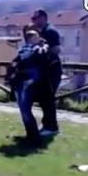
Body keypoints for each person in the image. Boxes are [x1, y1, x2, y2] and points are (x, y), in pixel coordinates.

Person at [8, 25, 53, 146]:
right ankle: (34, 138)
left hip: (21, 82)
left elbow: (15, 63)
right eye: (37, 37)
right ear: (32, 39)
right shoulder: (35, 49)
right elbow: (43, 53)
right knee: (26, 111)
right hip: (29, 82)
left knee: (25, 111)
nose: (39, 39)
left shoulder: (22, 50)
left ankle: (31, 135)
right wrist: (45, 45)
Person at [31, 8, 61, 136]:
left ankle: (52, 127)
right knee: (43, 99)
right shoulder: (42, 31)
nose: (33, 21)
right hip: (44, 70)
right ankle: (46, 124)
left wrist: (43, 54)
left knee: (48, 99)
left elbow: (56, 49)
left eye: (35, 18)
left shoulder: (50, 32)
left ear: (43, 17)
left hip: (51, 70)